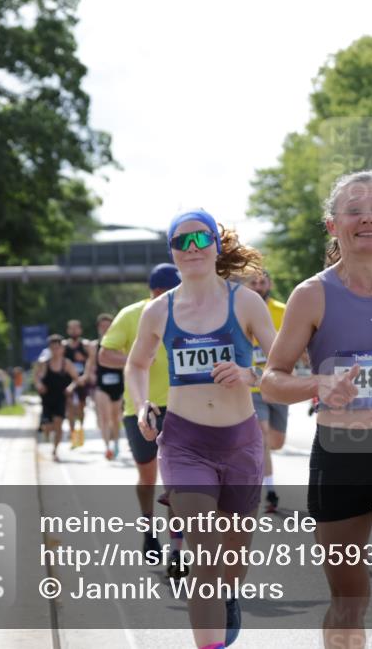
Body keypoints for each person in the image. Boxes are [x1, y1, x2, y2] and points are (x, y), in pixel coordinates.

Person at [261, 171, 372, 649]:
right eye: (354, 208)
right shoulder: (311, 295)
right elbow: (272, 379)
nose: (367, 216)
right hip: (341, 455)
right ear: (332, 226)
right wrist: (320, 384)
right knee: (350, 598)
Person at [127, 208, 276, 649]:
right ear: (171, 252)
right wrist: (141, 407)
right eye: (181, 243)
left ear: (216, 244)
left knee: (233, 556)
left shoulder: (244, 302)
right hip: (184, 442)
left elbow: (282, 364)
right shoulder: (159, 310)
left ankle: (230, 593)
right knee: (204, 556)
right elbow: (137, 364)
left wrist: (250, 375)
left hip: (240, 440)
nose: (191, 250)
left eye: (199, 240)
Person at [100, 263, 184, 567]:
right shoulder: (132, 314)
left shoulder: (188, 312)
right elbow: (104, 353)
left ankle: (176, 549)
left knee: (177, 481)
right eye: (174, 289)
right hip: (140, 408)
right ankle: (148, 529)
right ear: (158, 291)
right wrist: (137, 358)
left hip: (180, 408)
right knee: (148, 477)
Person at [247, 269, 289, 513]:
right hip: (253, 385)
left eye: (263, 282)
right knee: (262, 437)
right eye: (254, 282)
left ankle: (260, 462)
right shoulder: (241, 310)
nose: (259, 286)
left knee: (276, 442)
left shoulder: (283, 311)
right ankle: (270, 492)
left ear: (269, 284)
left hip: (280, 384)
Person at [35, 334, 79, 462]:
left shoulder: (67, 364)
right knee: (48, 427)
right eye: (52, 348)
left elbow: (76, 379)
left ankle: (55, 451)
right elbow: (37, 377)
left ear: (62, 349)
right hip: (47, 399)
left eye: (57, 348)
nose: (55, 351)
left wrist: (71, 388)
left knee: (58, 425)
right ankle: (47, 432)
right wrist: (39, 385)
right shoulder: (44, 364)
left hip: (61, 398)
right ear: (49, 349)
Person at [89, 313, 123, 460]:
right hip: (101, 385)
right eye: (102, 326)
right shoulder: (93, 346)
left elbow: (126, 362)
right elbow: (90, 363)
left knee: (115, 418)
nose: (105, 328)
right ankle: (107, 447)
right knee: (104, 417)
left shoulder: (120, 344)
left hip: (118, 384)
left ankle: (115, 443)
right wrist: (89, 374)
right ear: (98, 328)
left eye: (108, 325)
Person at [64, 319, 91, 448]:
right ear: (68, 330)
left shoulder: (85, 345)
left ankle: (80, 428)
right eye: (71, 328)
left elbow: (91, 363)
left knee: (81, 408)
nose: (74, 331)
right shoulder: (64, 346)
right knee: (70, 409)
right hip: (68, 381)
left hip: (82, 381)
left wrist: (85, 376)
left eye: (76, 328)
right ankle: (72, 434)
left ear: (80, 330)